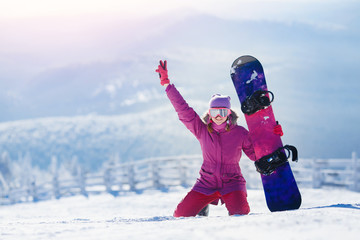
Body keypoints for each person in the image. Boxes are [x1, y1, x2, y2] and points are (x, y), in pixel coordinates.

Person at [155, 60, 282, 217]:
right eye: (214, 112)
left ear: (229, 113)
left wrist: (272, 134)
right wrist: (167, 84)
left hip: (233, 182)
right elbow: (183, 109)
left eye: (222, 112)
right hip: (206, 182)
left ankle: (213, 204)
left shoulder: (240, 133)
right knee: (180, 214)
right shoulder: (201, 130)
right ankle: (203, 206)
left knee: (240, 214)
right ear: (209, 113)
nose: (218, 117)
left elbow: (256, 155)